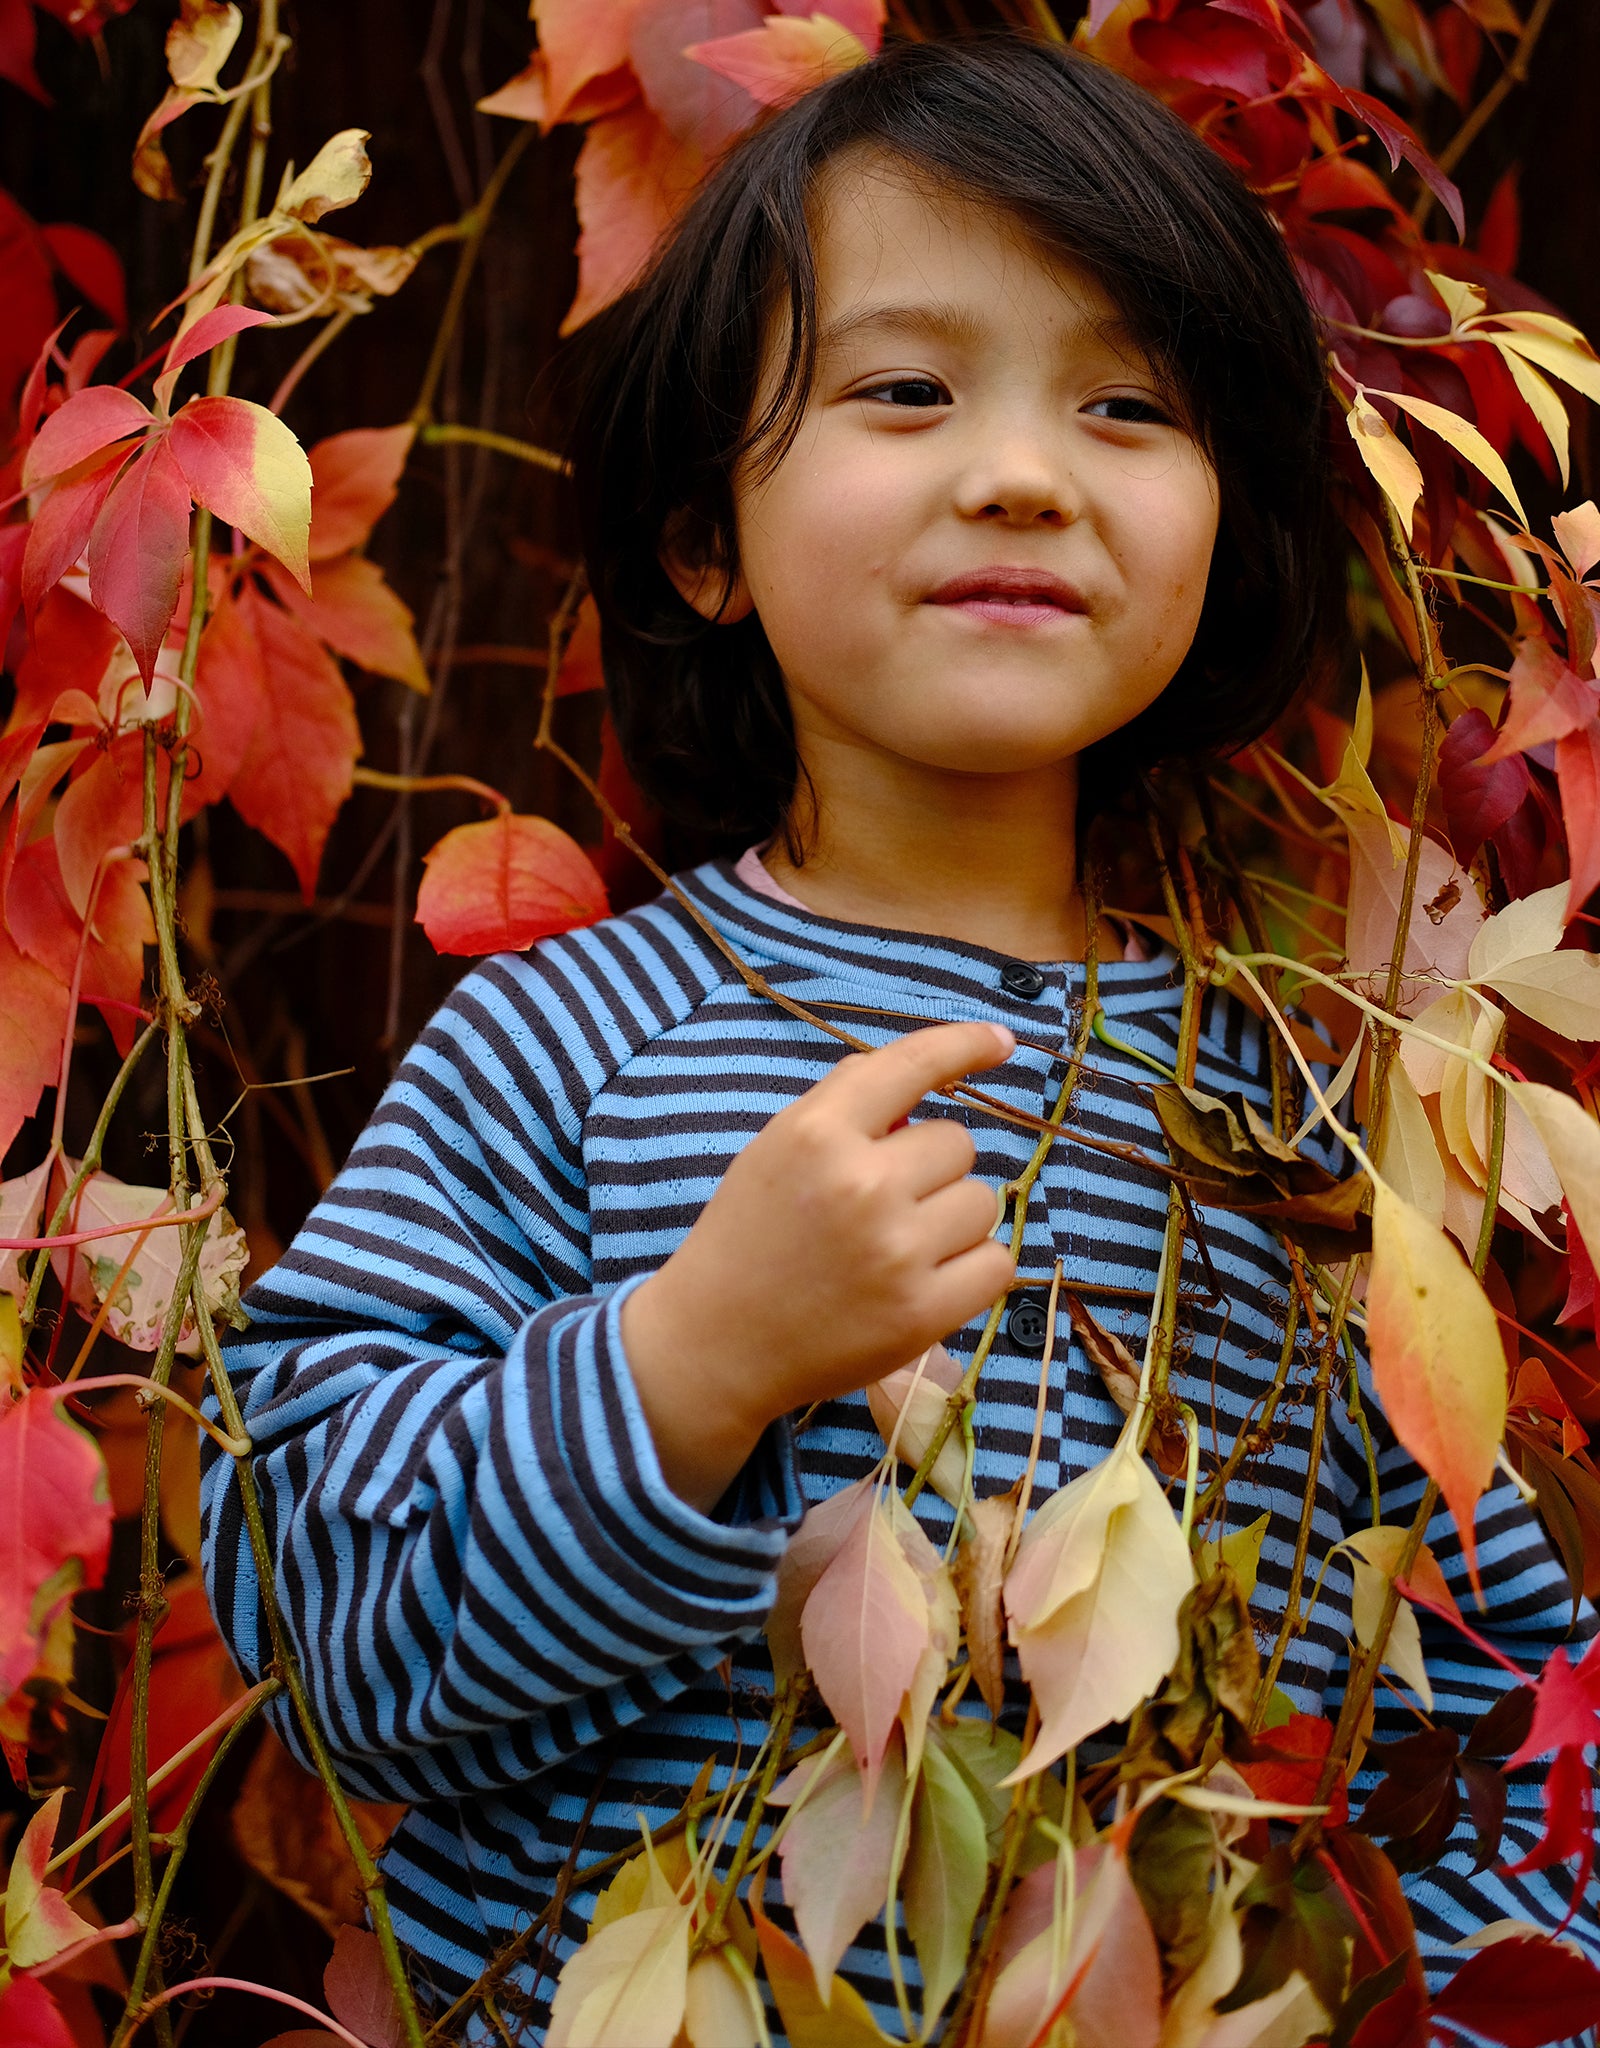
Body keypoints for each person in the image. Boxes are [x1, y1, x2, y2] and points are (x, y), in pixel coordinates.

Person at [201, 34, 1595, 2041]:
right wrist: (692, 1362)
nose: (1020, 466)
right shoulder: (562, 1041)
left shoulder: (1285, 1109)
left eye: (1125, 403)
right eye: (904, 389)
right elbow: (315, 1614)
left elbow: (1482, 1722)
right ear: (706, 539)